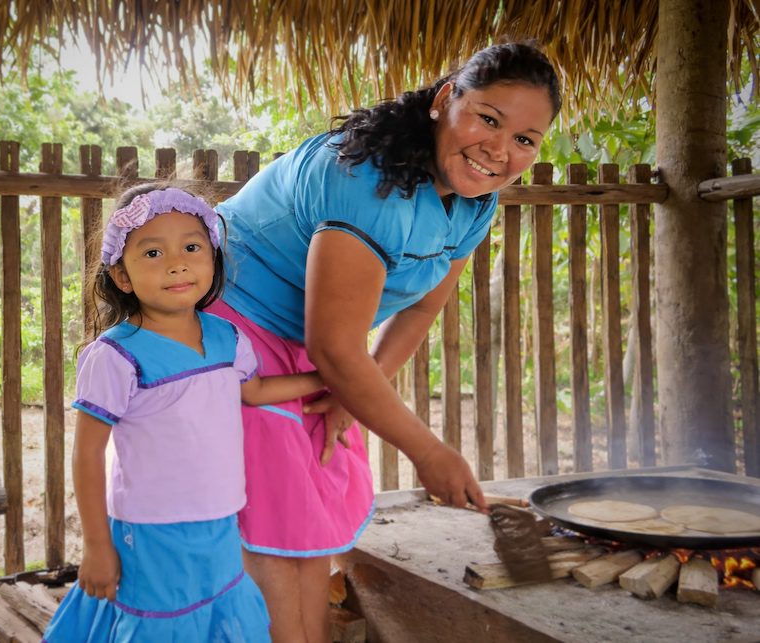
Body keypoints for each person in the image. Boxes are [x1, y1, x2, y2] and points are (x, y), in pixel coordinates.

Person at [207, 41, 562, 641]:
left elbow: (422, 306)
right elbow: (335, 350)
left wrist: (349, 394)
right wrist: (428, 452)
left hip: (304, 341)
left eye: (525, 140)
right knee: (276, 507)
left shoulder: (475, 203)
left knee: (311, 503)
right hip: (232, 324)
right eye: (489, 119)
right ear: (446, 99)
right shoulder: (365, 180)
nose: (500, 151)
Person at [43, 185, 326, 642]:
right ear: (122, 276)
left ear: (212, 256)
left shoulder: (226, 338)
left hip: (220, 521)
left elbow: (253, 392)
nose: (177, 263)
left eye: (192, 247)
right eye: (152, 252)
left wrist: (326, 379)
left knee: (216, 614)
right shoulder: (115, 356)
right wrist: (97, 546)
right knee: (162, 623)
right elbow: (88, 455)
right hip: (152, 531)